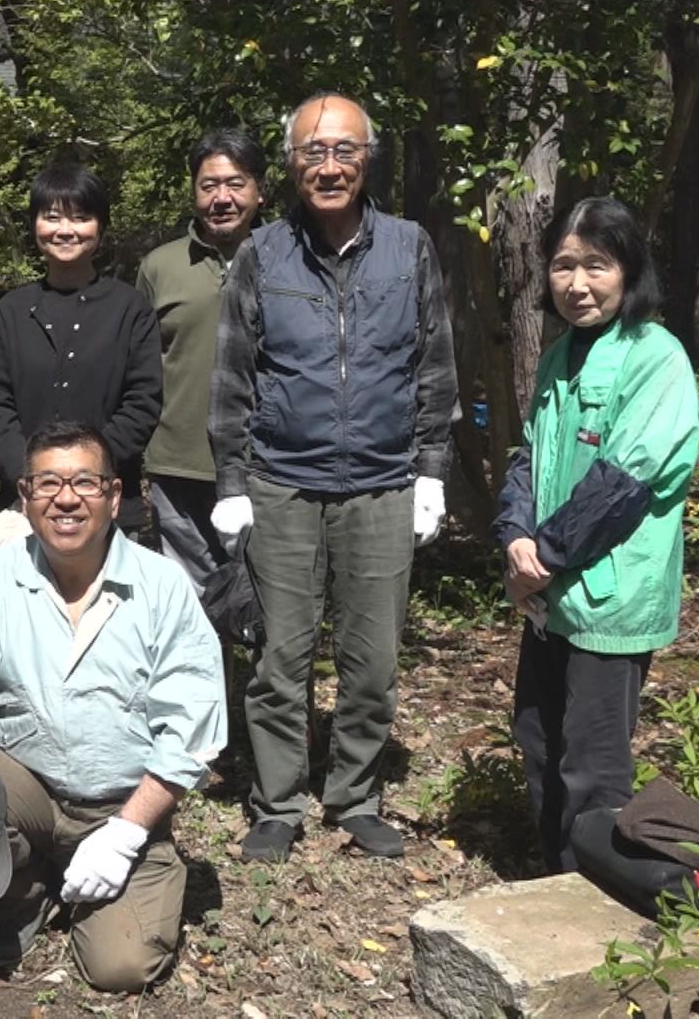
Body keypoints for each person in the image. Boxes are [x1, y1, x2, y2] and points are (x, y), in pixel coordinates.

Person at [208, 92, 458, 862]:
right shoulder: (263, 254)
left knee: (373, 657)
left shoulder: (410, 246)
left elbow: (435, 365)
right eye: (313, 151)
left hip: (382, 484)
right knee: (280, 657)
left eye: (344, 150)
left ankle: (354, 794)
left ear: (366, 158)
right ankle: (277, 804)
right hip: (283, 481)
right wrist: (233, 483)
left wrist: (431, 472)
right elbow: (232, 379)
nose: (329, 165)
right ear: (291, 164)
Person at [0, 421, 226, 993]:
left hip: (124, 802)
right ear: (25, 495)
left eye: (85, 482)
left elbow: (192, 730)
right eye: (48, 483)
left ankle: (126, 866)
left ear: (114, 497)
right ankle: (24, 894)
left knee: (121, 968)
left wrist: (126, 834)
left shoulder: (164, 587)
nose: (65, 498)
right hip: (30, 785)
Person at [494, 196, 699, 873]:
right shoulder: (560, 356)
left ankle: (597, 900)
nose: (577, 284)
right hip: (551, 590)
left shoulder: (657, 357)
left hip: (610, 596)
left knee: (592, 758)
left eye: (596, 265)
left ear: (628, 270)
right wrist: (516, 534)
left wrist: (543, 555)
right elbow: (529, 455)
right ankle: (555, 873)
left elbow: (626, 481)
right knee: (537, 736)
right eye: (562, 265)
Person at [0, 161, 162, 538]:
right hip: (25, 501)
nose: (65, 230)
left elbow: (142, 403)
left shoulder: (129, 309)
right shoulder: (13, 310)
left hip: (107, 502)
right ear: (35, 225)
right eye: (52, 217)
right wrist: (31, 477)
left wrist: (85, 475)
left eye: (80, 218)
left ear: (100, 226)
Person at [137, 129, 268, 589]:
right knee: (190, 608)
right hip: (179, 462)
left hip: (269, 463)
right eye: (209, 185)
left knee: (269, 603)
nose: (222, 198)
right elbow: (143, 367)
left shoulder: (287, 259)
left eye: (235, 184)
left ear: (259, 190)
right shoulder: (160, 266)